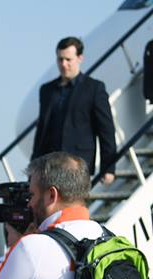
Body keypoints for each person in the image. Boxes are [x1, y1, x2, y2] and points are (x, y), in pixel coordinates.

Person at [32, 36, 116, 184]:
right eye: (60, 59)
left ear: (80, 58)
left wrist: (108, 168)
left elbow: (106, 130)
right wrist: (34, 166)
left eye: (68, 59)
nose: (63, 64)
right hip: (49, 165)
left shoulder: (94, 88)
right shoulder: (46, 90)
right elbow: (41, 132)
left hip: (78, 165)